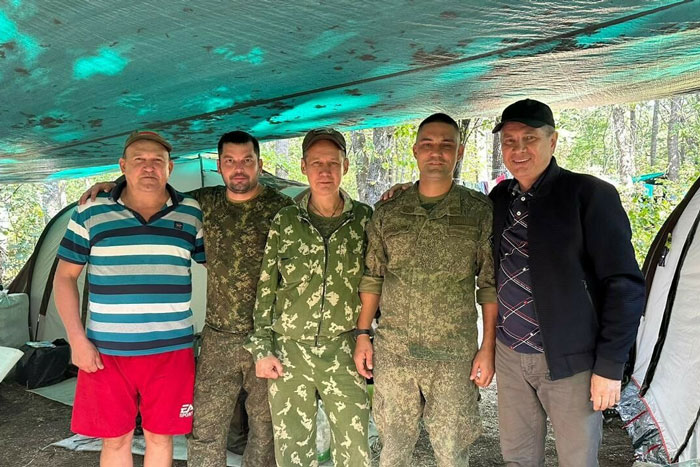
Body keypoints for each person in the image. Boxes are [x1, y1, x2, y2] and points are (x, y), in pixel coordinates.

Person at [80, 130, 291, 467]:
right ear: (219, 166)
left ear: (260, 164)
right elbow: (150, 189)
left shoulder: (284, 209)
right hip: (218, 335)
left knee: (265, 428)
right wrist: (113, 185)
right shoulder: (201, 203)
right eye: (230, 161)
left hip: (267, 333)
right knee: (204, 427)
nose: (238, 169)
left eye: (247, 161)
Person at [489, 98, 645, 466]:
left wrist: (610, 366)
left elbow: (625, 285)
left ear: (553, 140)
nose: (518, 149)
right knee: (517, 458)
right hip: (510, 355)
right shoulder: (499, 198)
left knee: (577, 460)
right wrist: (406, 190)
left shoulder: (589, 195)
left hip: (571, 360)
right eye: (509, 141)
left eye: (530, 138)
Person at [54, 130, 206, 467]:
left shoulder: (191, 213)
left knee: (160, 437)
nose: (149, 167)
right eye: (139, 160)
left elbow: (218, 261)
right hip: (106, 351)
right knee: (115, 439)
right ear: (123, 166)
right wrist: (76, 341)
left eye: (157, 161)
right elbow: (64, 278)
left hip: (171, 350)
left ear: (170, 167)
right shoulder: (91, 211)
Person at [355, 113, 498, 467]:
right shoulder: (389, 212)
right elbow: (373, 277)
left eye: (446, 144)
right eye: (428, 144)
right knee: (393, 451)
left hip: (453, 356)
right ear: (416, 150)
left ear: (459, 152)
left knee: (452, 453)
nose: (437, 152)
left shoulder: (478, 211)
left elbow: (489, 285)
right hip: (395, 353)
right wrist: (362, 333)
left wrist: (487, 347)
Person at [246, 128, 372, 467]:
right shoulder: (286, 220)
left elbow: (376, 282)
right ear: (303, 167)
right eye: (316, 163)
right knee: (292, 453)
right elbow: (266, 287)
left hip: (344, 349)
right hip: (290, 351)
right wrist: (262, 349)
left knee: (355, 450)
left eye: (333, 162)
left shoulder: (365, 219)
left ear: (346, 166)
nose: (325, 171)